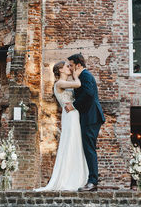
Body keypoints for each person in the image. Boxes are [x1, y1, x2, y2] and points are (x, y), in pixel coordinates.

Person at [34, 60, 89, 191]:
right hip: (70, 116)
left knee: (75, 143)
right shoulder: (59, 83)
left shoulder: (64, 84)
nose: (70, 68)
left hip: (73, 114)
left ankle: (78, 176)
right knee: (70, 142)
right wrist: (77, 74)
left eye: (70, 66)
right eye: (67, 66)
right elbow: (78, 84)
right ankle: (68, 178)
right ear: (60, 70)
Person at [64, 53, 105, 192]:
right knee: (88, 148)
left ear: (78, 65)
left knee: (89, 148)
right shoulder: (80, 77)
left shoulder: (86, 76)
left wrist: (73, 105)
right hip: (88, 117)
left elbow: (88, 94)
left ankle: (93, 181)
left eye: (71, 65)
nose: (69, 67)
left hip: (91, 117)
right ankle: (90, 179)